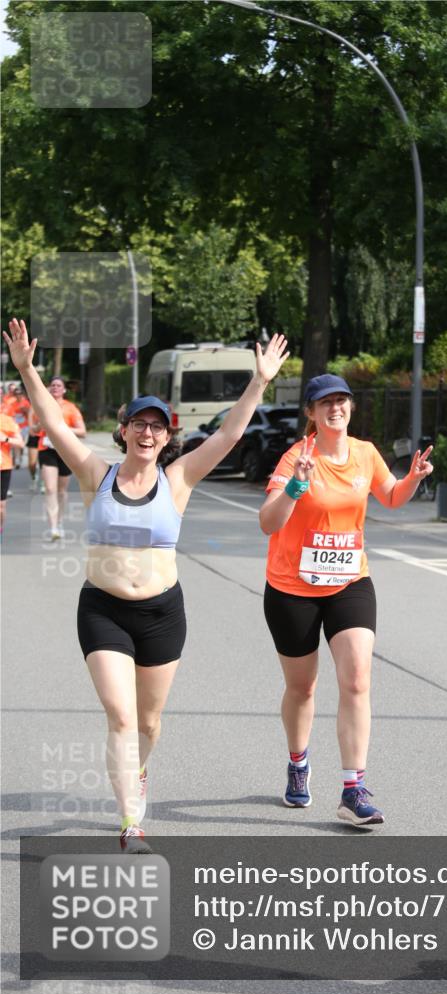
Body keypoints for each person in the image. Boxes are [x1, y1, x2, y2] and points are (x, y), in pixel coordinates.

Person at [3, 317, 288, 853]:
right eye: (140, 423)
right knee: (121, 714)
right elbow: (53, 424)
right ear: (125, 428)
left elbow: (229, 434)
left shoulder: (178, 479)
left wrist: (259, 381)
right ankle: (131, 823)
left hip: (161, 613)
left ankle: (138, 773)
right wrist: (26, 370)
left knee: (150, 724)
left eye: (158, 427)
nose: (148, 433)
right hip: (102, 610)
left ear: (167, 435)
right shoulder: (96, 473)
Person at [259, 373, 433, 826]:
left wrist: (412, 478)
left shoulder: (365, 453)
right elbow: (268, 521)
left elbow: (391, 497)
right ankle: (298, 763)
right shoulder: (297, 457)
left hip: (349, 581)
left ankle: (353, 790)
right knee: (303, 687)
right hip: (292, 588)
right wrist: (296, 488)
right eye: (326, 403)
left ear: (351, 408)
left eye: (342, 401)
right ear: (311, 413)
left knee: (356, 679)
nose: (336, 408)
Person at [35, 375, 86, 540]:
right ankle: (53, 527)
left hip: (65, 450)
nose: (55, 388)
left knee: (62, 491)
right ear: (49, 389)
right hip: (46, 449)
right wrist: (40, 425)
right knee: (50, 489)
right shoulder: (42, 406)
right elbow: (33, 430)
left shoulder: (71, 408)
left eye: (58, 385)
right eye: (53, 385)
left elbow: (82, 431)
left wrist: (62, 429)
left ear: (64, 390)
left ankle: (60, 520)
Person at [0, 407, 24, 532]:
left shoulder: (7, 420)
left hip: (3, 466)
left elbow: (20, 443)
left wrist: (5, 439)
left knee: (1, 506)